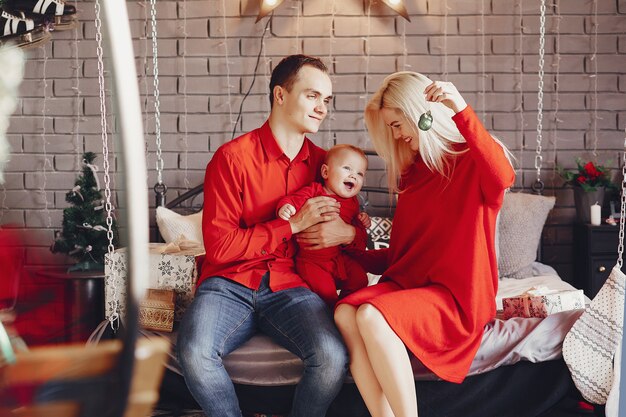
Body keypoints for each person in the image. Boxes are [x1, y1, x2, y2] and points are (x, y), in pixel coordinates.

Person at [177, 55, 364, 417]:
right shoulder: (232, 159)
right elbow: (220, 246)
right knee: (194, 350)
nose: (322, 108)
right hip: (229, 283)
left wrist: (348, 233)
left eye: (326, 100)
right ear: (280, 94)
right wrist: (290, 226)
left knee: (331, 356)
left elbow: (353, 231)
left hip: (292, 286)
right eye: (312, 96)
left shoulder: (331, 164)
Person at [334, 71, 515, 417]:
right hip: (415, 286)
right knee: (345, 312)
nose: (397, 135)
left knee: (372, 316)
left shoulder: (472, 163)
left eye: (398, 124)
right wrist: (349, 250)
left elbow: (503, 176)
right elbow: (406, 255)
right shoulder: (413, 174)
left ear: (422, 113)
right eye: (391, 128)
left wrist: (460, 107)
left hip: (457, 298)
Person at [277, 144, 370, 308]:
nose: (353, 176)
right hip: (313, 261)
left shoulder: (353, 203)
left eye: (360, 173)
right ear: (325, 172)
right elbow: (293, 200)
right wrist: (286, 208)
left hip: (339, 258)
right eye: (347, 168)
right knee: (325, 292)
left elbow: (357, 234)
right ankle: (333, 311)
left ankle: (346, 305)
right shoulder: (315, 191)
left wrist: (362, 222)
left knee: (360, 278)